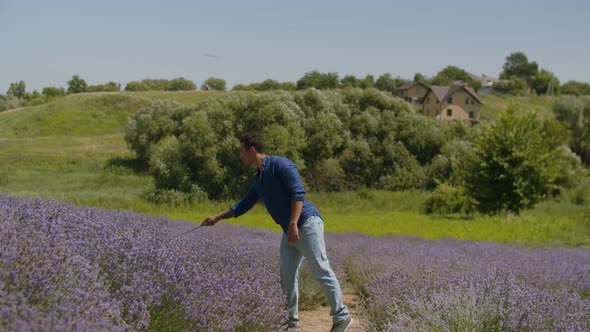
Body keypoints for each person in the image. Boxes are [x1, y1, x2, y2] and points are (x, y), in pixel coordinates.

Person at [203, 133, 353, 332]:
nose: (240, 156)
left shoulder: (281, 165)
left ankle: (342, 317)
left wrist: (292, 223)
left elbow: (298, 194)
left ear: (252, 150)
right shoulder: (258, 178)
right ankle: (291, 323)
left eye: (241, 152)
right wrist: (217, 218)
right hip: (289, 229)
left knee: (320, 269)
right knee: (287, 276)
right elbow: (244, 204)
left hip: (306, 223)